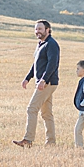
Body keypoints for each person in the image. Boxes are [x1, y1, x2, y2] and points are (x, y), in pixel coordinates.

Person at [13, 19, 60, 147]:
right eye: (36, 29)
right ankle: (51, 142)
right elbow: (36, 65)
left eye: (40, 29)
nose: (37, 31)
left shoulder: (52, 44)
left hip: (48, 83)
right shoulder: (41, 44)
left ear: (47, 30)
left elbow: (52, 64)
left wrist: (43, 80)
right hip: (44, 82)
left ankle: (28, 140)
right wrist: (28, 78)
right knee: (46, 114)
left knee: (31, 109)